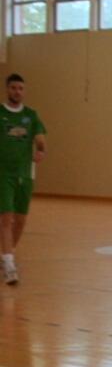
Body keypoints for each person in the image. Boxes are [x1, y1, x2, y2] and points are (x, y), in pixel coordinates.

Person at [0, 73, 47, 285]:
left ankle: (7, 255)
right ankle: (9, 265)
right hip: (3, 173)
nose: (16, 92)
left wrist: (40, 149)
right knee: (6, 217)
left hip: (25, 174)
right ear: (7, 90)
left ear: (24, 91)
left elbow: (40, 139)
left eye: (20, 88)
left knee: (20, 219)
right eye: (13, 88)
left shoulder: (31, 115)